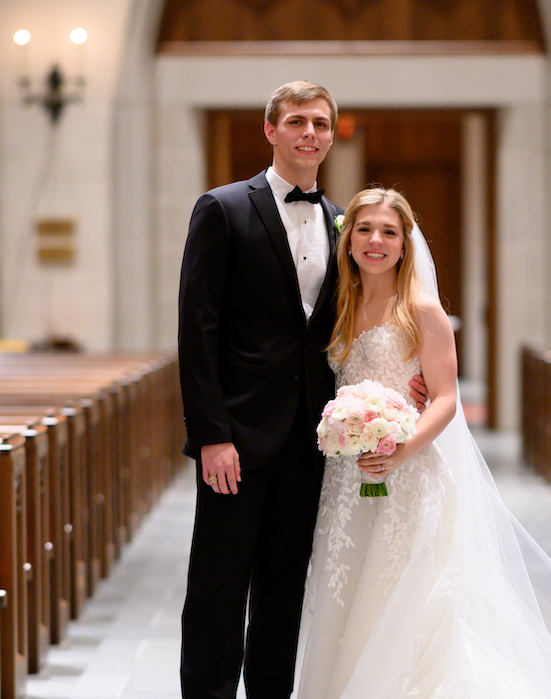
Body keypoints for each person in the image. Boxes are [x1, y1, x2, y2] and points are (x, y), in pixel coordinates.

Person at [294, 186, 551, 698]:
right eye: (365, 229)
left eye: (389, 232)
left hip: (408, 473)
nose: (376, 240)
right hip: (346, 477)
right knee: (343, 594)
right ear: (348, 240)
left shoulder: (421, 310)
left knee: (399, 604)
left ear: (404, 244)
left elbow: (445, 398)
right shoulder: (338, 307)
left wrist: (401, 449)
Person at [177, 81, 426, 699]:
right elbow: (197, 330)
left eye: (319, 122)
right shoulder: (223, 208)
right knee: (218, 590)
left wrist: (409, 375)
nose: (309, 133)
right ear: (271, 131)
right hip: (237, 437)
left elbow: (377, 308)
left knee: (284, 592)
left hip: (315, 442)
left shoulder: (345, 221)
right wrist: (212, 436)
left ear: (331, 133)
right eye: (296, 121)